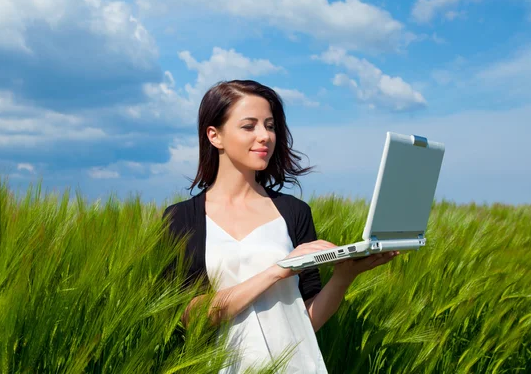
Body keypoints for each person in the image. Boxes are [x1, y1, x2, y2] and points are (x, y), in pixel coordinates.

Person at [162, 80, 398, 373]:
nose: (265, 136)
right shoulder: (181, 219)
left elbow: (304, 319)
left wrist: (342, 277)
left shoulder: (294, 212)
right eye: (249, 126)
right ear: (215, 135)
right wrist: (278, 269)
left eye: (270, 126)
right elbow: (190, 317)